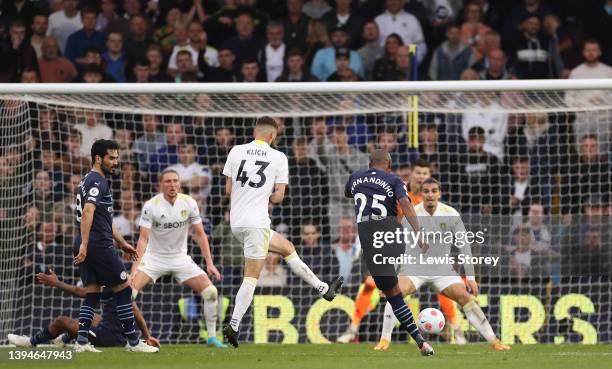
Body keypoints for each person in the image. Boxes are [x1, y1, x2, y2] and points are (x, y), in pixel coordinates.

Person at [221, 117, 343, 347]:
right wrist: (265, 194)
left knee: (287, 248)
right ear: (273, 136)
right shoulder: (279, 157)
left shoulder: (236, 151)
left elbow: (228, 189)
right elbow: (279, 197)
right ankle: (234, 324)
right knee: (251, 278)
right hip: (257, 223)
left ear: (255, 131)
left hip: (237, 223)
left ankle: (323, 288)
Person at [374, 178, 511, 351]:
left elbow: (464, 245)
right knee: (395, 293)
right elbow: (397, 247)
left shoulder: (451, 213)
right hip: (414, 268)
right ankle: (385, 340)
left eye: (433, 191)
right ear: (421, 194)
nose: (430, 195)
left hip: (442, 268)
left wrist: (470, 277)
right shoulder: (411, 215)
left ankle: (494, 341)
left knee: (465, 298)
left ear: (439, 193)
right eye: (426, 191)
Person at [344, 149, 434, 356]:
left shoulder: (356, 177)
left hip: (369, 238)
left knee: (391, 294)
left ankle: (418, 341)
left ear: (369, 164)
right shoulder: (394, 180)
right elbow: (406, 205)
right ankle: (421, 343)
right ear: (390, 165)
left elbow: (348, 192)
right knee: (394, 294)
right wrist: (419, 233)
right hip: (392, 236)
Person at [72, 139, 158, 353]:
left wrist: (122, 243)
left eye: (117, 158)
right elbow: (89, 212)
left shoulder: (85, 180)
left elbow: (105, 220)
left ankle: (81, 342)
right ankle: (133, 342)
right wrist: (86, 243)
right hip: (97, 244)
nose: (115, 163)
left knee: (92, 293)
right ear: (98, 158)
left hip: (88, 242)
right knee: (123, 290)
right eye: (111, 158)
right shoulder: (98, 181)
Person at [130, 169, 226, 348]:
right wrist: (134, 269)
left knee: (211, 292)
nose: (172, 184)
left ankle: (212, 337)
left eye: (175, 181)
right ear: (161, 185)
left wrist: (209, 263)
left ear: (179, 183)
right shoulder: (151, 205)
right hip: (154, 258)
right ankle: (130, 339)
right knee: (128, 295)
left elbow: (200, 234)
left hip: (180, 258)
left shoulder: (189, 203)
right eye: (168, 181)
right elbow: (143, 239)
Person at [7, 268, 160, 349]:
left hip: (107, 339)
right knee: (92, 317)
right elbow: (137, 314)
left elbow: (80, 291)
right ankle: (63, 340)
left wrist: (57, 283)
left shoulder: (112, 286)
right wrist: (147, 336)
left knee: (62, 321)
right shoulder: (118, 286)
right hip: (118, 337)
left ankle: (30, 342)